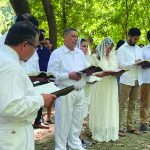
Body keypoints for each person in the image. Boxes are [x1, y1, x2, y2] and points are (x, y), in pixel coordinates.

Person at [0, 21, 56, 150]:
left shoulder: (4, 59)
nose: (35, 52)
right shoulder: (10, 66)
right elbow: (10, 107)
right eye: (35, 47)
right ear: (24, 45)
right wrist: (42, 99)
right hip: (12, 136)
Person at [48, 28, 89, 150]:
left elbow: (83, 68)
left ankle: (75, 145)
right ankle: (60, 147)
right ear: (64, 37)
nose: (75, 39)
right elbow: (51, 74)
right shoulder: (57, 53)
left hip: (80, 91)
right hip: (65, 91)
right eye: (72, 36)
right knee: (63, 122)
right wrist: (68, 75)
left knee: (77, 121)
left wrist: (88, 72)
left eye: (76, 36)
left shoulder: (80, 53)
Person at [89, 37, 119, 142]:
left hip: (111, 85)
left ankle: (109, 128)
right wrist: (102, 73)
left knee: (110, 105)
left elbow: (116, 68)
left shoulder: (113, 58)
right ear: (103, 46)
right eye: (108, 48)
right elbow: (91, 73)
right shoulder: (95, 57)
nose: (109, 50)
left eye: (111, 48)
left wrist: (118, 72)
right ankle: (99, 129)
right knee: (101, 105)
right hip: (100, 85)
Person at [117, 28, 143, 136]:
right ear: (129, 36)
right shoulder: (121, 49)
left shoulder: (138, 49)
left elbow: (141, 61)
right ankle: (120, 127)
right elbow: (120, 64)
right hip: (126, 79)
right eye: (134, 39)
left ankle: (130, 126)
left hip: (137, 78)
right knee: (122, 104)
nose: (136, 41)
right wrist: (134, 62)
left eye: (137, 39)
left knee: (133, 104)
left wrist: (143, 63)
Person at [139, 31, 150, 132]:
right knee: (145, 102)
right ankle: (143, 123)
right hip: (146, 79)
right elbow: (141, 64)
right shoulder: (144, 50)